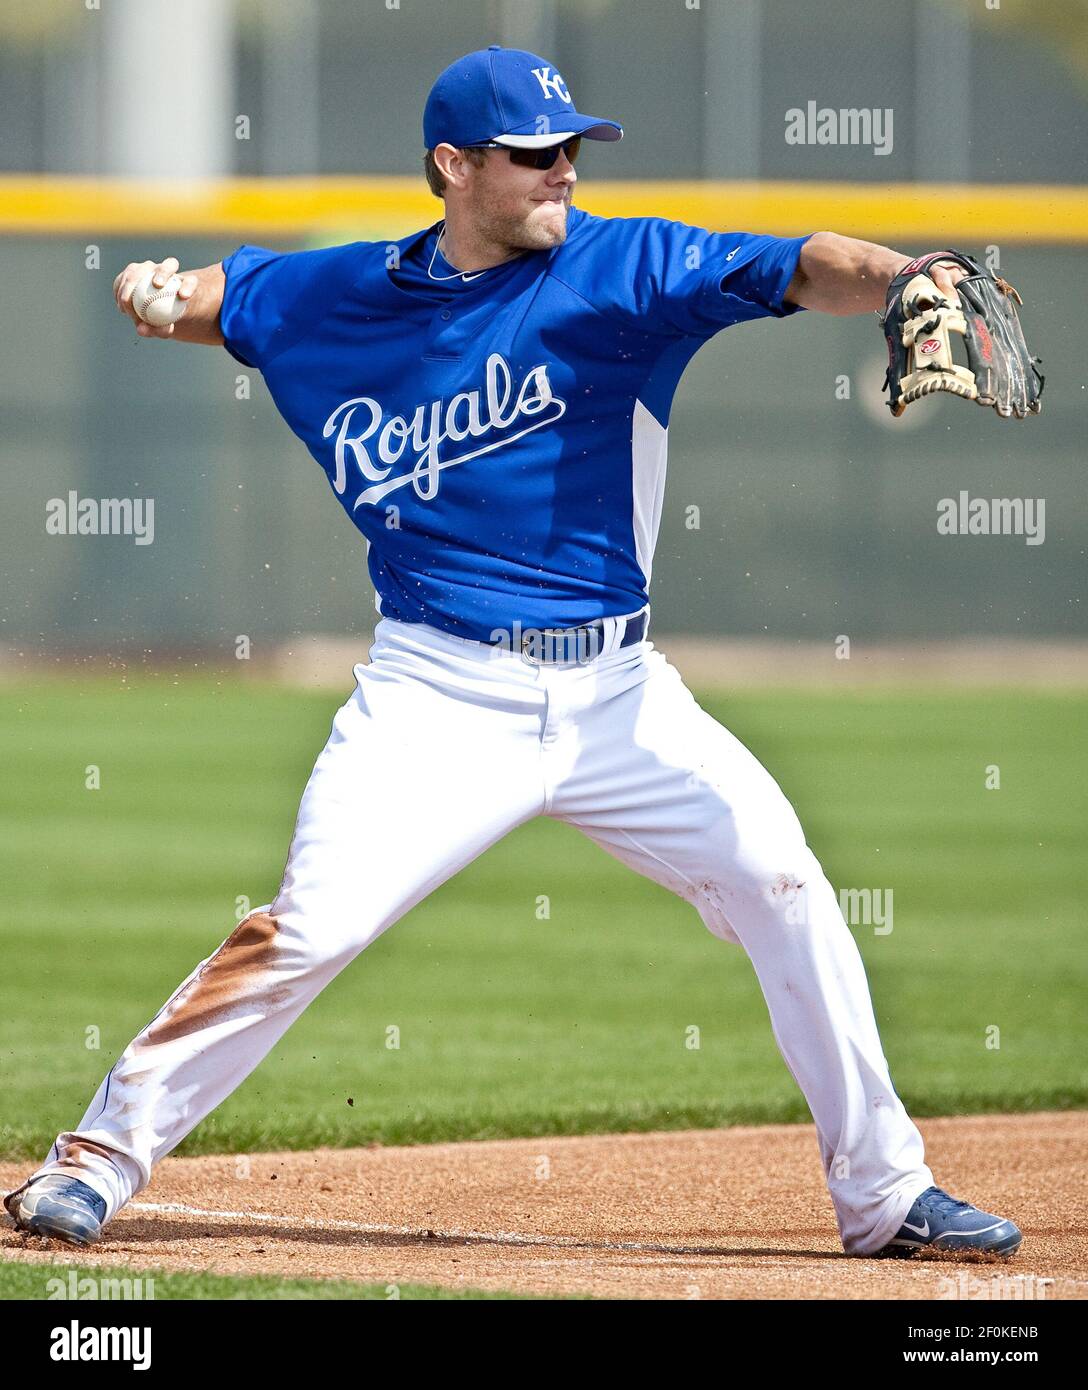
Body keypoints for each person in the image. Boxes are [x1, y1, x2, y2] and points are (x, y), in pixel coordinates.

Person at [6, 46, 1020, 1261]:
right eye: (533, 154)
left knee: (784, 883)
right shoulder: (337, 296)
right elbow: (238, 298)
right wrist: (164, 296)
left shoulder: (622, 267)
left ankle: (885, 1196)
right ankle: (93, 1163)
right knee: (311, 928)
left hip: (621, 696)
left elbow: (798, 266)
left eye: (571, 148)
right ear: (452, 167)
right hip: (434, 695)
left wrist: (907, 273)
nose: (562, 172)